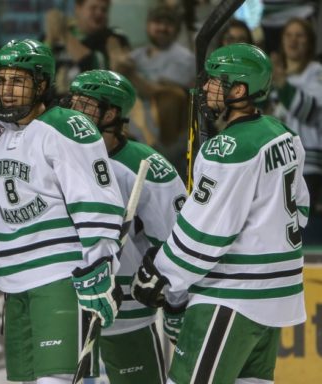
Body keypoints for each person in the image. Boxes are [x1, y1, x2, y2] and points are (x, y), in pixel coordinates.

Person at [131, 43, 310, 384]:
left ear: (239, 90)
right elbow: (300, 210)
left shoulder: (228, 150)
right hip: (275, 296)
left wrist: (163, 272)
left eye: (216, 81)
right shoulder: (284, 135)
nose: (206, 88)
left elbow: (206, 233)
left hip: (232, 296)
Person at [0, 39, 124, 383]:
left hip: (61, 276)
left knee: (57, 379)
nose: (7, 91)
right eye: (2, 80)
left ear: (41, 85)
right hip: (10, 281)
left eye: (18, 81)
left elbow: (97, 203)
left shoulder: (67, 127)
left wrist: (99, 263)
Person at [65, 69, 187, 384]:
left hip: (127, 308)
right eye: (74, 103)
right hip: (65, 300)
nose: (76, 114)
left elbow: (177, 240)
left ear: (113, 113)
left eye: (87, 106)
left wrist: (177, 302)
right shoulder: (56, 154)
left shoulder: (148, 166)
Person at [116, 4, 195, 177]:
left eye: (168, 23)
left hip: (165, 148)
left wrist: (129, 72)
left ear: (176, 30)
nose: (162, 28)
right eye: (157, 22)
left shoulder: (184, 58)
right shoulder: (138, 55)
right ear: (148, 25)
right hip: (130, 139)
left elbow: (158, 93)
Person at [270, 18, 322, 219]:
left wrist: (281, 82)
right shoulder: (273, 77)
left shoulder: (316, 73)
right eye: (288, 35)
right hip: (275, 163)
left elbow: (308, 111)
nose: (293, 40)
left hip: (308, 163)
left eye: (299, 35)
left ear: (309, 41)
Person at [43, 0, 131, 99]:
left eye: (104, 9)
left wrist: (64, 33)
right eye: (93, 8)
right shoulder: (56, 36)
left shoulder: (113, 37)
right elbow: (37, 66)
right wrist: (50, 39)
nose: (99, 13)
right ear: (77, 8)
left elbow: (95, 68)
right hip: (52, 106)